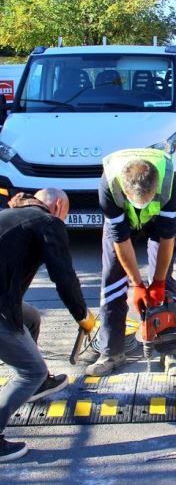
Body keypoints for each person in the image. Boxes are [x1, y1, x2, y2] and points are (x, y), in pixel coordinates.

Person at [0, 189, 95, 462]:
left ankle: (40, 384)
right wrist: (82, 315)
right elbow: (63, 276)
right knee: (30, 370)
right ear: (59, 205)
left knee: (30, 317)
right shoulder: (47, 222)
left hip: (6, 302)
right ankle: (33, 379)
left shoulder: (10, 214)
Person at [86, 148, 176, 377]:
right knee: (112, 282)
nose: (142, 206)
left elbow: (166, 240)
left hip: (158, 222)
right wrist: (137, 284)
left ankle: (169, 350)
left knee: (165, 281)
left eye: (147, 200)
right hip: (121, 222)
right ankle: (111, 352)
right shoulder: (109, 185)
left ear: (155, 187)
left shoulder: (170, 184)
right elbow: (120, 240)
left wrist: (156, 282)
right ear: (126, 192)